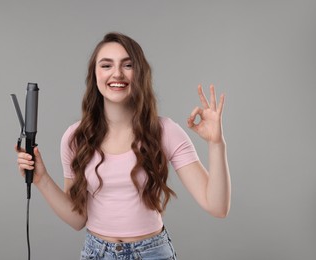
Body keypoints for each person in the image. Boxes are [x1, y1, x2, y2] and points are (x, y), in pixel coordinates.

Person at [16, 32, 231, 259]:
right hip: (96, 253)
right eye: (106, 65)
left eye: (127, 65)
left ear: (140, 73)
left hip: (152, 253)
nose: (117, 73)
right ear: (95, 74)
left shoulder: (165, 131)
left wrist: (217, 143)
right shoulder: (75, 138)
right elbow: (77, 219)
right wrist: (41, 179)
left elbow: (217, 207)